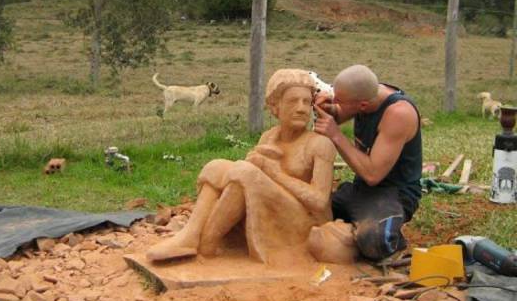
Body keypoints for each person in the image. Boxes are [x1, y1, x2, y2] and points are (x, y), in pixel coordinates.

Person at [147, 69, 336, 266]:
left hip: (305, 224)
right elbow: (253, 179)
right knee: (216, 166)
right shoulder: (269, 136)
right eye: (293, 101)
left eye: (307, 102)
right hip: (271, 210)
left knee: (245, 174)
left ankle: (206, 244)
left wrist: (274, 173)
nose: (301, 108)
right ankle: (191, 235)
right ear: (275, 107)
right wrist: (253, 165)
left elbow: (320, 202)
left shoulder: (319, 144)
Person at [313, 64, 422, 261]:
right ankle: (353, 220)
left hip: (392, 193)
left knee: (374, 242)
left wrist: (336, 136)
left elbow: (373, 175)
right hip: (360, 190)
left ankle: (389, 235)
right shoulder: (365, 93)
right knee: (307, 210)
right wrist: (325, 108)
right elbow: (338, 113)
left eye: (339, 100)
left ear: (362, 105)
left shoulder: (398, 114)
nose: (334, 101)